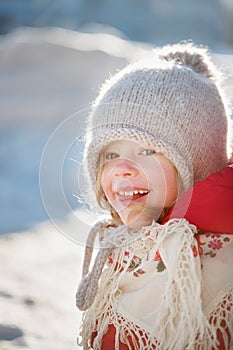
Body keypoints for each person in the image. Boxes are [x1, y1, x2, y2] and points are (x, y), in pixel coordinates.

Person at [76, 42, 233, 350]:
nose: (121, 168)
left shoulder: (210, 261)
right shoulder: (137, 241)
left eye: (147, 150)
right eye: (110, 154)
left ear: (197, 163)